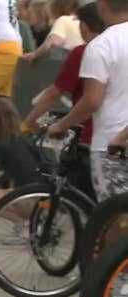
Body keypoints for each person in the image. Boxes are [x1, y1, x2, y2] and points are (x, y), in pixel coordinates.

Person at [48, 0, 128, 201]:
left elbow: (92, 101)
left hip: (111, 143)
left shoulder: (102, 45)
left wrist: (61, 125)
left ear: (103, 5)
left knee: (111, 217)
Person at [23, 2, 106, 146]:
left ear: (84, 26)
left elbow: (55, 92)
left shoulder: (83, 52)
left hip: (92, 133)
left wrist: (29, 120)